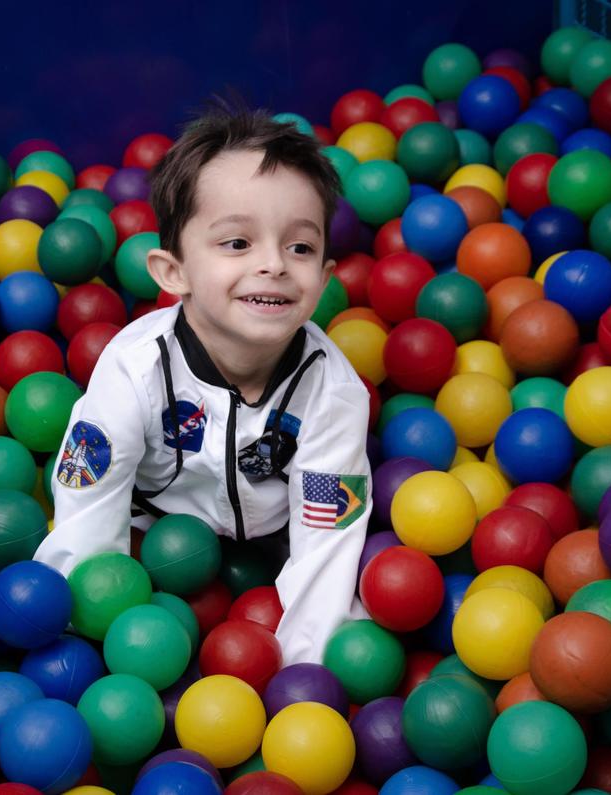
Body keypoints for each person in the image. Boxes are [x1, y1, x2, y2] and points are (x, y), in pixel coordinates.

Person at [33, 103, 372, 664]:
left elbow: (327, 549)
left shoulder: (331, 393)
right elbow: (89, 499)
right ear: (174, 273)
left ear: (326, 277)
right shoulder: (134, 369)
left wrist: (303, 675)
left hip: (272, 534)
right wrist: (85, 632)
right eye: (237, 243)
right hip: (153, 523)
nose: (274, 264)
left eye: (301, 247)